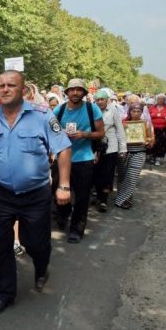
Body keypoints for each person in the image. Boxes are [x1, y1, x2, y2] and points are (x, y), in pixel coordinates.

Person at [0, 70, 72, 316]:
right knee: (1, 245)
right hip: (2, 193)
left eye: (11, 85)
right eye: (1, 85)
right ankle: (4, 293)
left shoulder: (43, 116)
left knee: (35, 243)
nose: (5, 89)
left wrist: (64, 185)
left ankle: (41, 266)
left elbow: (64, 148)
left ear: (23, 89)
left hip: (35, 195)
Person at [53, 78, 105, 243]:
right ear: (67, 92)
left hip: (84, 159)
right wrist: (61, 135)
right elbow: (50, 132)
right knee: (58, 190)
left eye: (79, 90)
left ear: (84, 92)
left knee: (82, 197)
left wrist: (84, 134)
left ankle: (76, 229)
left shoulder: (92, 109)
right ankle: (63, 214)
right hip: (61, 159)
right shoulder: (58, 111)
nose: (75, 93)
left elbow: (101, 133)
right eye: (72, 90)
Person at [93, 88, 127, 212]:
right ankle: (98, 194)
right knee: (96, 173)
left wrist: (123, 148)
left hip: (111, 147)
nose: (99, 102)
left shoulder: (114, 111)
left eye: (102, 99)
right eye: (97, 100)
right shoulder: (92, 111)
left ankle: (104, 200)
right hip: (95, 147)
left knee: (107, 174)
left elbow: (120, 130)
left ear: (107, 100)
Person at [114, 103, 154, 209]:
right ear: (129, 112)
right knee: (122, 176)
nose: (136, 113)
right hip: (124, 152)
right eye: (133, 111)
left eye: (138, 111)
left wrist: (148, 141)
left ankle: (124, 199)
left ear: (141, 113)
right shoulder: (123, 123)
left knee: (132, 176)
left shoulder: (145, 124)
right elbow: (117, 137)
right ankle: (124, 197)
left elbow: (151, 139)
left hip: (139, 152)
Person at [148, 94, 166, 166]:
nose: (161, 100)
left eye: (163, 99)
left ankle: (159, 158)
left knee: (162, 144)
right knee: (154, 143)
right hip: (153, 129)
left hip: (164, 129)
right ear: (157, 100)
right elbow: (147, 117)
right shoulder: (152, 108)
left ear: (165, 100)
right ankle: (153, 156)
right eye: (159, 99)